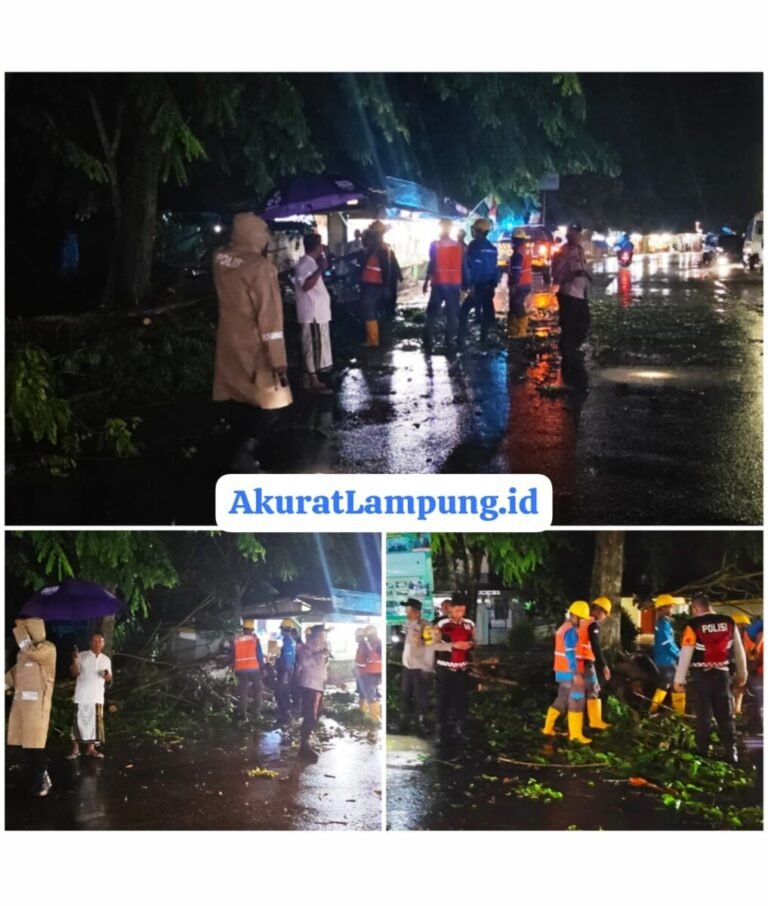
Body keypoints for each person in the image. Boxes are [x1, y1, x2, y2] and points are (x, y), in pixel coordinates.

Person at [212, 212, 292, 471]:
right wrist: (278, 360)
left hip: (229, 342)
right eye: (263, 230)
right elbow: (270, 319)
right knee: (273, 401)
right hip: (255, 347)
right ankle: (245, 451)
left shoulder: (220, 258)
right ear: (253, 234)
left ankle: (233, 448)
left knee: (238, 396)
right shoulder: (261, 268)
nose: (266, 235)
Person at [673, 593, 747, 764]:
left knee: (703, 715)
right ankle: (731, 752)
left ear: (695, 608)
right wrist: (742, 675)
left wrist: (679, 679)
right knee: (726, 714)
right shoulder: (728, 622)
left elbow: (686, 653)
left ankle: (702, 752)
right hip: (723, 675)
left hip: (701, 677)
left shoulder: (693, 625)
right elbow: (739, 651)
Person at [5, 618, 57, 796]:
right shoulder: (23, 653)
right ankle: (34, 777)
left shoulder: (47, 649)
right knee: (22, 745)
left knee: (35, 745)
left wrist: (19, 629)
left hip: (37, 706)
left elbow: (31, 652)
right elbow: (14, 674)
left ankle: (42, 779)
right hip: (21, 705)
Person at [541, 601, 593, 744]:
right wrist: (576, 674)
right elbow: (570, 654)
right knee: (577, 700)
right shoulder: (571, 631)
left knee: (562, 699)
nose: (583, 621)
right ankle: (575, 735)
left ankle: (547, 728)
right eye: (582, 618)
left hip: (561, 671)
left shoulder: (563, 628)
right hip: (570, 672)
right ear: (575, 616)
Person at [551, 222, 593, 392]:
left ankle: (568, 350)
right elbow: (572, 271)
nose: (579, 236)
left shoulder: (568, 249)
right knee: (577, 324)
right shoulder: (571, 250)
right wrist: (587, 274)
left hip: (572, 293)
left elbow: (556, 271)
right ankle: (569, 354)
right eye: (577, 234)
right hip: (572, 293)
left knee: (572, 323)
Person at [293, 233, 333, 395]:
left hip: (317, 313)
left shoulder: (310, 264)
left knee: (313, 346)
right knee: (313, 347)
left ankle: (307, 379)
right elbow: (306, 286)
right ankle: (313, 381)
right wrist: (321, 269)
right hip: (312, 314)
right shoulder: (304, 265)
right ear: (317, 247)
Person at [423, 219, 469, 355]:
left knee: (432, 313)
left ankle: (428, 341)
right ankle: (449, 342)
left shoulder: (435, 245)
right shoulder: (459, 247)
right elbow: (464, 267)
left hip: (438, 284)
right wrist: (465, 286)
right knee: (452, 314)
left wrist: (426, 282)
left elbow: (432, 265)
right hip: (454, 284)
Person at [434, 596, 475, 746]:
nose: (460, 614)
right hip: (445, 667)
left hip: (462, 667)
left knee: (461, 699)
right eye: (457, 610)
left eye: (463, 611)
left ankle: (459, 729)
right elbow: (433, 645)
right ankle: (440, 730)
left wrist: (470, 645)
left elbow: (474, 641)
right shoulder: (441, 624)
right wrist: (453, 645)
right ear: (450, 609)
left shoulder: (469, 624)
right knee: (443, 699)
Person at [68, 632, 113, 759]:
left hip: (97, 696)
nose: (97, 643)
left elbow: (109, 678)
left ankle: (91, 749)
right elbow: (74, 673)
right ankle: (75, 749)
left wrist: (106, 675)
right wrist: (75, 660)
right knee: (78, 722)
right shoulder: (82, 655)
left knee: (95, 724)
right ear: (90, 642)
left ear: (103, 643)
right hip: (82, 695)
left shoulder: (106, 659)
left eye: (100, 641)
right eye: (95, 641)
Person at [459, 218, 499, 347]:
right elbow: (494, 268)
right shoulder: (492, 248)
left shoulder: (474, 245)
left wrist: (471, 285)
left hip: (478, 284)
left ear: (480, 231)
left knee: (464, 310)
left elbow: (473, 266)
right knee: (486, 311)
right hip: (489, 284)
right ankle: (484, 337)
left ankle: (460, 337)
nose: (474, 232)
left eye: (476, 230)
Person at [296, 624, 332, 761]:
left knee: (314, 716)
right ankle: (304, 746)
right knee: (310, 716)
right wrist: (320, 654)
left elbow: (323, 667)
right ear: (317, 634)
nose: (325, 636)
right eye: (324, 633)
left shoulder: (322, 646)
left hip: (317, 685)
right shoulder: (309, 647)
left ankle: (305, 744)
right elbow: (304, 663)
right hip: (311, 686)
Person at [355, 221, 392, 348]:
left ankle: (373, 340)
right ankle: (372, 337)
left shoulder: (380, 249)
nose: (366, 239)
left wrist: (386, 286)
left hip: (373, 284)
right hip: (370, 283)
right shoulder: (374, 249)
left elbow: (386, 268)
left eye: (369, 236)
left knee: (368, 310)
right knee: (369, 310)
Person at [649, 593, 684, 714]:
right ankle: (654, 710)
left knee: (670, 685)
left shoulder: (664, 623)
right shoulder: (663, 624)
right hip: (666, 660)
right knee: (671, 684)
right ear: (662, 608)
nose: (672, 608)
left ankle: (677, 712)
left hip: (666, 659)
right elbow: (668, 644)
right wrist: (680, 655)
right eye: (669, 606)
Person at [584, 597, 612, 730]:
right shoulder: (592, 624)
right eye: (605, 613)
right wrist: (604, 665)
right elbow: (595, 646)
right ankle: (595, 721)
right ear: (598, 610)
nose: (604, 617)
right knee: (594, 688)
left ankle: (586, 721)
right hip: (586, 662)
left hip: (576, 661)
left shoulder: (581, 621)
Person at [232, 618, 265, 721]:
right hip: (254, 669)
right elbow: (259, 655)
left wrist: (233, 666)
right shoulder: (255, 640)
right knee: (258, 691)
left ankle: (243, 715)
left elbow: (233, 655)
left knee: (243, 693)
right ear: (252, 629)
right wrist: (263, 667)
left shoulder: (237, 640)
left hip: (241, 670)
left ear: (243, 629)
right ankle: (257, 713)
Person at [507, 228, 533, 339]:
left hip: (520, 284)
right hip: (526, 282)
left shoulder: (518, 253)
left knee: (517, 305)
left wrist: (513, 285)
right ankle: (513, 330)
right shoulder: (525, 250)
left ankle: (521, 331)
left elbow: (516, 272)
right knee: (514, 305)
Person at [355, 625, 382, 721]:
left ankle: (375, 719)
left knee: (370, 696)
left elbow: (360, 661)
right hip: (379, 673)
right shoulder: (379, 642)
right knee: (370, 693)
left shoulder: (366, 645)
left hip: (368, 673)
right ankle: (364, 710)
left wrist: (358, 668)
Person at [275, 619, 298, 723]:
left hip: (286, 671)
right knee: (284, 692)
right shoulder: (289, 640)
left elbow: (288, 659)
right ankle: (287, 712)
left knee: (280, 693)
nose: (281, 631)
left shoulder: (288, 641)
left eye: (282, 629)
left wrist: (285, 674)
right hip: (287, 670)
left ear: (285, 629)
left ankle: (285, 714)